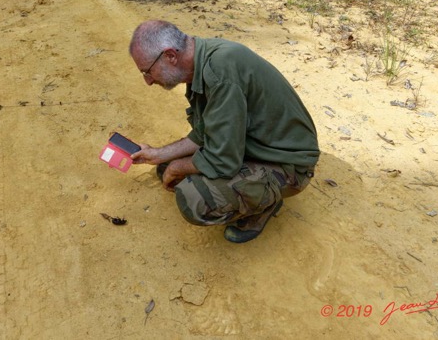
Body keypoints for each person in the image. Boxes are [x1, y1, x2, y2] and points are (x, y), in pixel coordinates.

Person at [129, 20, 319, 243]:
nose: (148, 81)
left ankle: (264, 202)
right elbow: (206, 132)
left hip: (287, 164)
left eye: (147, 71)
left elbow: (223, 160)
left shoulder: (220, 73)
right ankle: (254, 188)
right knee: (164, 168)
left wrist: (178, 166)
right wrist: (158, 154)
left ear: (170, 55)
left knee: (195, 199)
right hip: (255, 145)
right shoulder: (200, 61)